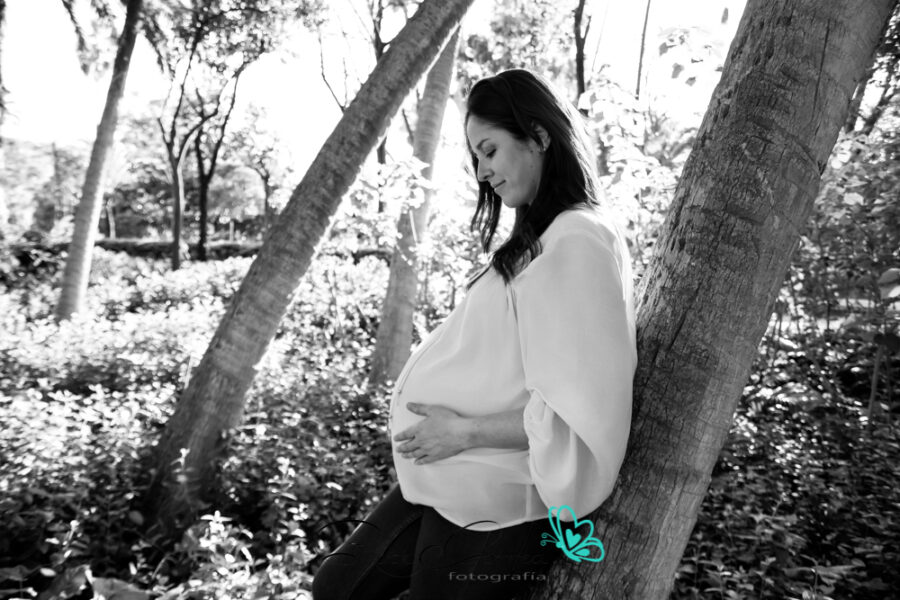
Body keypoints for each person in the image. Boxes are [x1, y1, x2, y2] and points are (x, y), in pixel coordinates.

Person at [312, 68, 637, 600]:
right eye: (476, 157)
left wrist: (464, 432)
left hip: (503, 497)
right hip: (457, 476)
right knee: (336, 587)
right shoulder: (546, 236)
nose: (482, 172)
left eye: (490, 151)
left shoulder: (578, 238)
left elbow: (580, 412)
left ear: (539, 136)